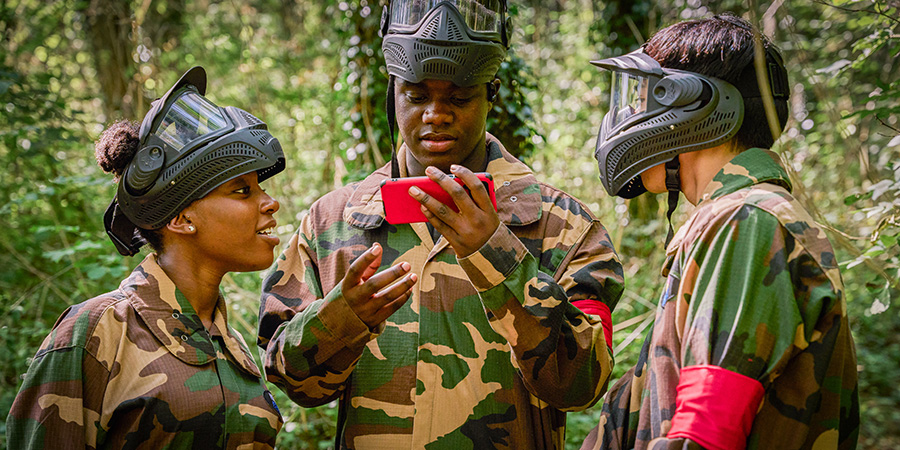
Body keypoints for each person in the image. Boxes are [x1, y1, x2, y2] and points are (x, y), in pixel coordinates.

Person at [257, 0, 625, 448]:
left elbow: (580, 386)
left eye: (459, 97)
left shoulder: (562, 226)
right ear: (392, 91)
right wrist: (342, 317)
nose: (435, 114)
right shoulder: (332, 221)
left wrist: (497, 254)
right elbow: (292, 383)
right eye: (416, 96)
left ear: (491, 93)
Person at [581, 14, 859, 450]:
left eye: (642, 96)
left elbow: (706, 430)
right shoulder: (741, 215)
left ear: (690, 104)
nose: (628, 115)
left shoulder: (745, 220)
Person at [6, 66, 288, 449]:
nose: (270, 203)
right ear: (182, 218)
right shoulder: (95, 334)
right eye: (242, 191)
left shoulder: (230, 343)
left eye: (260, 188)